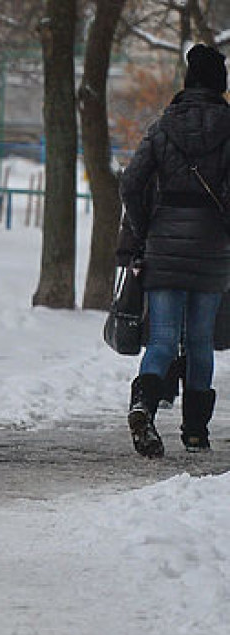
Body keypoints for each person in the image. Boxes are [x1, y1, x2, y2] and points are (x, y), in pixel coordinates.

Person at [120, 43, 230, 456]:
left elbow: (131, 182)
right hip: (212, 246)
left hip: (163, 242)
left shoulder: (163, 125)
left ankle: (143, 407)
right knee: (200, 339)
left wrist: (145, 226)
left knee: (162, 338)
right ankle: (196, 431)